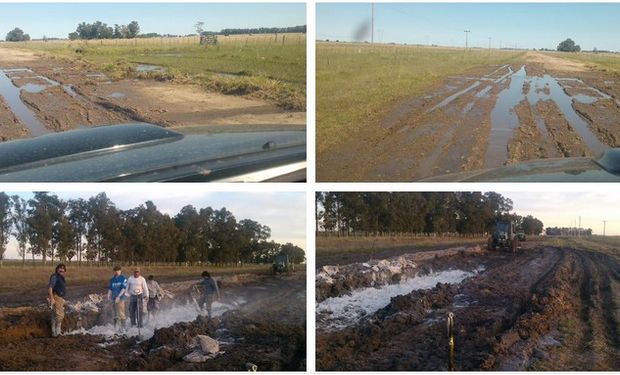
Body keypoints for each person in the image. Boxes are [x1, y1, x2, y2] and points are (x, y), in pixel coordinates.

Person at [47, 264, 67, 338]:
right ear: (57, 269)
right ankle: (57, 331)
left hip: (59, 297)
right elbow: (50, 287)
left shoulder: (60, 277)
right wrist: (52, 298)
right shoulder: (54, 277)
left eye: (63, 269)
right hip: (56, 297)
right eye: (60, 268)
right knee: (60, 315)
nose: (61, 270)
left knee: (54, 315)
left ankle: (54, 332)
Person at [107, 265, 128, 332]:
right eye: (116, 271)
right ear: (114, 271)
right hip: (113, 298)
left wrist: (118, 296)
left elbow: (123, 289)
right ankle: (116, 328)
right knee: (115, 313)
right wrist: (108, 295)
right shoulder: (112, 279)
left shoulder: (123, 278)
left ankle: (123, 328)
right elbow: (110, 288)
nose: (117, 272)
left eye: (118, 271)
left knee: (121, 312)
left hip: (121, 298)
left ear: (120, 271)